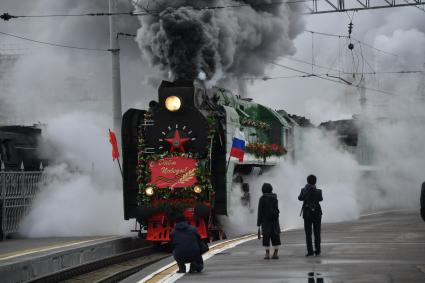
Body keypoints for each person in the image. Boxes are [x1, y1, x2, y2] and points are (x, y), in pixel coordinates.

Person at [298, 174, 323, 257]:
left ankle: (310, 251)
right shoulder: (319, 191)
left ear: (307, 181)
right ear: (315, 181)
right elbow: (320, 199)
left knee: (308, 234)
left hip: (307, 214)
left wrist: (306, 191)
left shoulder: (303, 190)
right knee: (317, 233)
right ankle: (318, 250)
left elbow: (300, 198)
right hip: (317, 213)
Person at [257, 183, 281, 259]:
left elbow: (260, 211)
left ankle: (267, 254)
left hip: (265, 221)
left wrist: (259, 223)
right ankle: (276, 253)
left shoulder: (262, 198)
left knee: (266, 238)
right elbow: (276, 209)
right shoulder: (275, 197)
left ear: (263, 190)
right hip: (274, 220)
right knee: (275, 237)